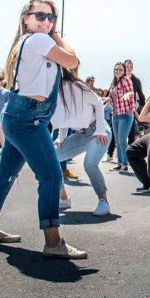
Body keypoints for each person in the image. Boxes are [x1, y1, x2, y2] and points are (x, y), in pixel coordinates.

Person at [0, 0, 87, 259]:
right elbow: (73, 61)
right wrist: (56, 34)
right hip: (29, 119)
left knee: (4, 175)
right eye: (40, 16)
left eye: (51, 18)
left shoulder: (27, 42)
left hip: (19, 116)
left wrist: (53, 32)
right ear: (25, 18)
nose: (46, 22)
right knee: (51, 177)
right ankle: (53, 242)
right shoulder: (39, 40)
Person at [53, 68, 112, 216]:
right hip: (81, 134)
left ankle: (104, 201)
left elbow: (98, 102)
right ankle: (63, 198)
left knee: (89, 164)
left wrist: (99, 130)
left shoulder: (78, 86)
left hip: (98, 131)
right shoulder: (53, 92)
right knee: (51, 159)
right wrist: (61, 137)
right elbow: (63, 117)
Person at [107, 62, 136, 173]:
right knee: (118, 141)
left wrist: (128, 94)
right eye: (116, 69)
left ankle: (125, 164)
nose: (118, 71)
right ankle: (120, 163)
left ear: (124, 71)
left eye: (120, 69)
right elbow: (112, 98)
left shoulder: (126, 80)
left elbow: (130, 92)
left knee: (122, 140)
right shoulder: (114, 83)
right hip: (115, 115)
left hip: (126, 115)